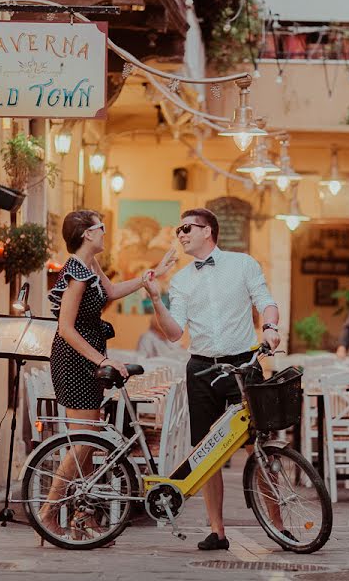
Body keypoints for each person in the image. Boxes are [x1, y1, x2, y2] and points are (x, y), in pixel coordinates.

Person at [143, 208, 281, 551]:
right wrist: (156, 299)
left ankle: (279, 523)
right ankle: (217, 531)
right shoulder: (182, 280)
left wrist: (271, 327)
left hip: (242, 365)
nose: (181, 234)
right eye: (179, 230)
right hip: (202, 368)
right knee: (206, 452)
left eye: (187, 228)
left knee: (257, 446)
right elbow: (174, 333)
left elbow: (266, 301)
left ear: (208, 231)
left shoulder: (242, 264)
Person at [37, 209, 176, 543]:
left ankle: (81, 517)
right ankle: (48, 513)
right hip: (74, 361)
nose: (105, 232)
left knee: (89, 442)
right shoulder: (76, 274)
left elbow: (111, 292)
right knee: (83, 443)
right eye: (101, 228)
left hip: (89, 361)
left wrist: (149, 276)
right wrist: (103, 360)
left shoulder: (90, 267)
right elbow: (66, 329)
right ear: (87, 234)